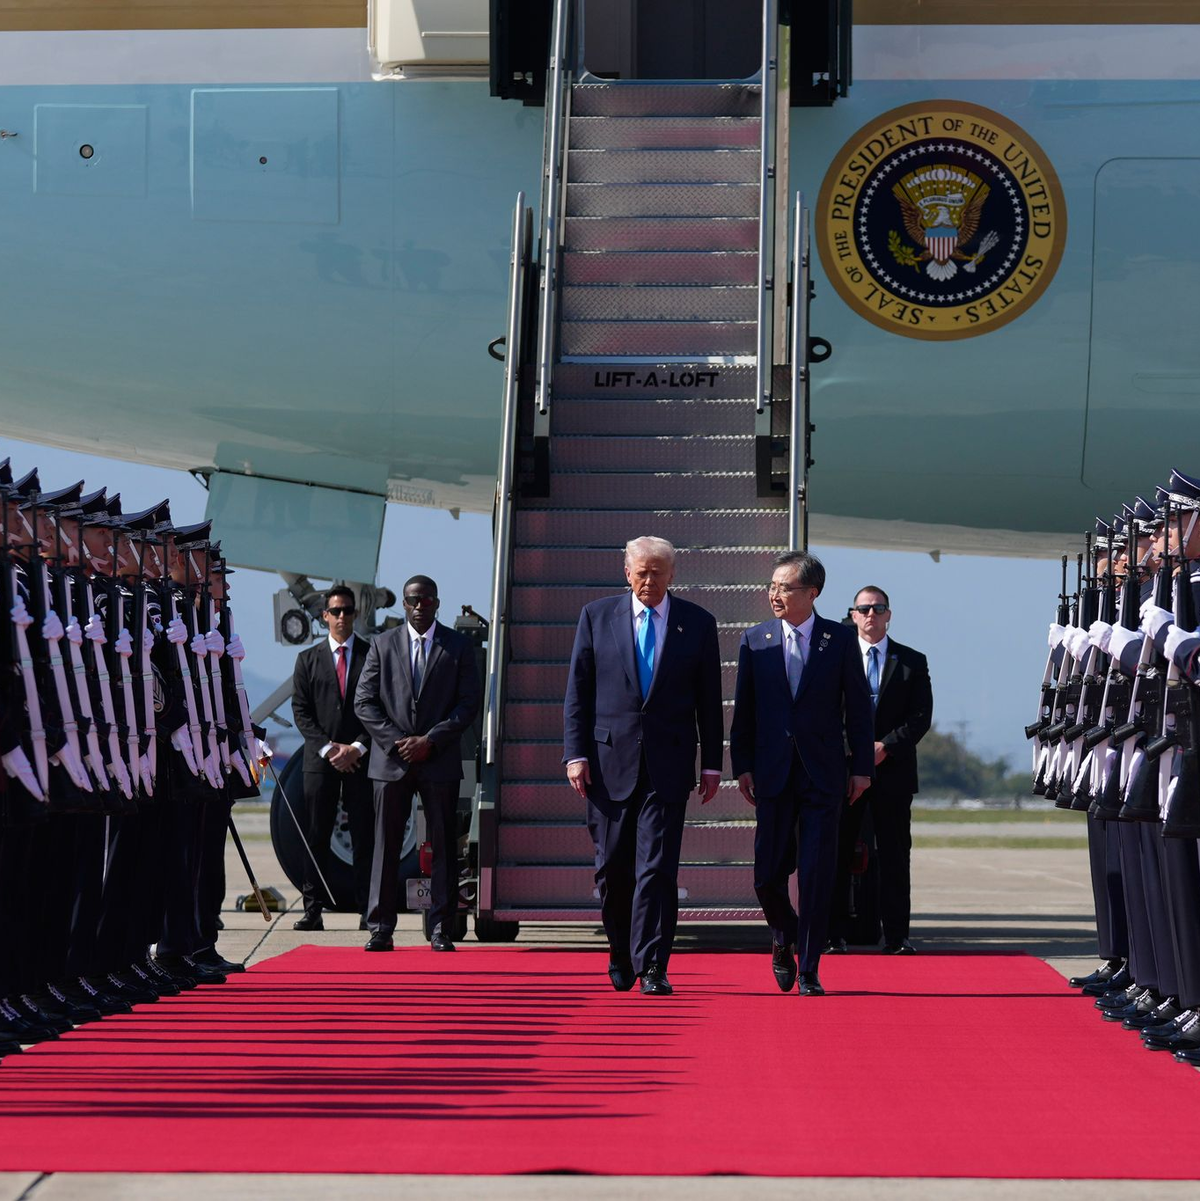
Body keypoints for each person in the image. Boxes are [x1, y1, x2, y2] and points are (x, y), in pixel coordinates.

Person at [563, 536, 723, 997]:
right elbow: (579, 691)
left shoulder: (697, 623)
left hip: (669, 764)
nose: (649, 580)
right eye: (642, 571)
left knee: (657, 868)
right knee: (613, 869)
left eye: (658, 572)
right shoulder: (597, 616)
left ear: (673, 574)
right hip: (607, 761)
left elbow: (709, 703)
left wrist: (712, 764)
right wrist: (575, 755)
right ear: (626, 572)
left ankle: (653, 963)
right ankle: (620, 950)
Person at [730, 550, 874, 996]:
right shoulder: (756, 640)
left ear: (812, 593)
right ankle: (784, 933)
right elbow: (745, 712)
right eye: (772, 586)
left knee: (815, 873)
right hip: (772, 772)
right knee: (766, 875)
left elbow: (859, 710)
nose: (775, 594)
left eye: (784, 587)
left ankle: (809, 968)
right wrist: (743, 766)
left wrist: (862, 768)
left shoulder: (840, 639)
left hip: (823, 773)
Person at [355, 575, 480, 952]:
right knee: (386, 845)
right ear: (404, 605)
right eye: (412, 600)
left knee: (442, 844)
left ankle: (441, 927)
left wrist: (431, 741)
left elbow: (468, 703)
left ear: (437, 603)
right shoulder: (383, 644)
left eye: (426, 600)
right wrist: (397, 743)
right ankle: (381, 927)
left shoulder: (458, 646)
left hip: (438, 759)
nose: (419, 606)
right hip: (391, 762)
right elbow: (364, 701)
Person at [827, 586, 932, 955]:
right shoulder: (835, 657)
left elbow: (921, 717)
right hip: (844, 771)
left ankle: (898, 935)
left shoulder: (911, 661)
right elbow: (825, 712)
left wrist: (885, 746)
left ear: (889, 615)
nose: (871, 614)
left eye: (878, 608)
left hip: (893, 772)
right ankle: (833, 934)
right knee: (838, 851)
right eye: (864, 609)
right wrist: (854, 750)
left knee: (894, 854)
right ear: (853, 615)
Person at [291, 584, 374, 930]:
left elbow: (381, 708)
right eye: (336, 611)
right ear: (324, 616)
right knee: (316, 835)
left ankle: (368, 911)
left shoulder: (373, 656)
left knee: (364, 836)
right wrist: (328, 748)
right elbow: (301, 710)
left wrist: (356, 746)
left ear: (356, 614)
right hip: (320, 763)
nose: (342, 617)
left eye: (348, 611)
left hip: (360, 760)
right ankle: (312, 910)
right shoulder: (307, 660)